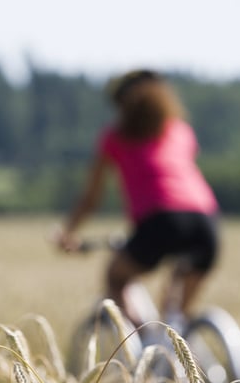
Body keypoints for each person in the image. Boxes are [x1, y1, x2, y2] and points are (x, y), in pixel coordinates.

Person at [57, 69, 220, 332]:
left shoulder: (115, 138)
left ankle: (142, 340)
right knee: (176, 313)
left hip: (159, 221)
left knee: (115, 277)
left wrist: (68, 233)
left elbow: (90, 199)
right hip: (206, 222)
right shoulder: (180, 131)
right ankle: (179, 339)